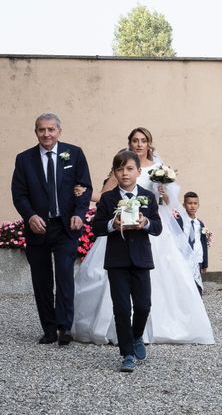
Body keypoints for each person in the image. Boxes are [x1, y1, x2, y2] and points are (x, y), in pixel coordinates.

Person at [72, 127, 214, 345]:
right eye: (135, 140)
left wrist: (164, 194)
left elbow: (169, 204)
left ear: (149, 144)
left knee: (156, 283)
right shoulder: (121, 168)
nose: (139, 144)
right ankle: (120, 332)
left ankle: (156, 328)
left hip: (150, 231)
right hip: (121, 230)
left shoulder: (159, 169)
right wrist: (84, 193)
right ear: (129, 143)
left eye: (143, 140)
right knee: (111, 282)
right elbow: (104, 195)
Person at [11, 112, 92, 345]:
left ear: (59, 131)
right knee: (41, 279)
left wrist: (79, 213)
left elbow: (84, 187)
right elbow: (19, 194)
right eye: (41, 130)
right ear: (36, 132)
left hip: (65, 227)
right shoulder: (24, 159)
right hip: (38, 228)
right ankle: (48, 328)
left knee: (65, 275)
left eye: (50, 129)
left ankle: (65, 327)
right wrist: (30, 216)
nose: (46, 134)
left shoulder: (74, 154)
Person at [93, 150, 162, 372]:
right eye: (120, 169)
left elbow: (158, 227)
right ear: (114, 172)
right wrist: (113, 223)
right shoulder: (108, 198)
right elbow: (96, 227)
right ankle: (127, 354)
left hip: (141, 259)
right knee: (122, 309)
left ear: (138, 171)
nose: (125, 173)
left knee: (143, 306)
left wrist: (146, 223)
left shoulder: (148, 198)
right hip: (117, 261)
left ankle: (137, 335)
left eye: (129, 168)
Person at [176, 191, 209, 295]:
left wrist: (205, 262)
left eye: (195, 203)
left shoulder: (200, 224)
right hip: (183, 259)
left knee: (197, 287)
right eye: (189, 203)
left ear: (198, 205)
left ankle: (197, 309)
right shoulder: (179, 221)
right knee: (184, 287)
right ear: (184, 205)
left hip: (197, 259)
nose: (192, 206)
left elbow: (203, 243)